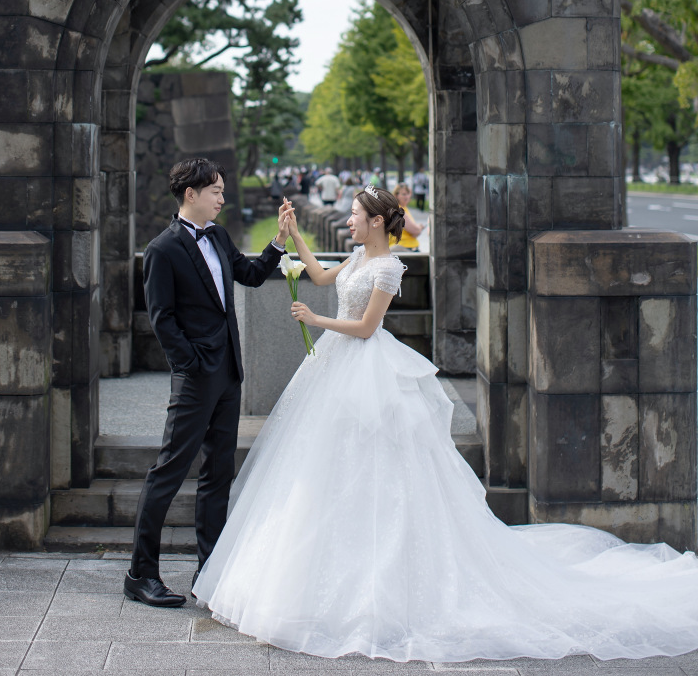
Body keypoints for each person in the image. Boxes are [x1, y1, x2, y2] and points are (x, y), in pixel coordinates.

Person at [193, 185, 698, 662]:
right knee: (326, 467)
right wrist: (295, 235)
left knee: (377, 466)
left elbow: (367, 329)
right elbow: (323, 279)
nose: (347, 221)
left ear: (374, 222)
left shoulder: (388, 268)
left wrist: (316, 321)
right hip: (335, 369)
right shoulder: (356, 258)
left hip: (362, 365)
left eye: (353, 216)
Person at [124, 157, 291, 609]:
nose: (222, 197)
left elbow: (251, 277)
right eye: (215, 190)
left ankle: (210, 570)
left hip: (229, 374)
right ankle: (140, 574)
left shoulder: (217, 235)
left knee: (219, 472)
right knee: (169, 472)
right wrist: (193, 364)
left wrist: (278, 241)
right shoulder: (162, 249)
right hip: (197, 377)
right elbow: (162, 320)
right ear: (191, 194)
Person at [391, 181, 427, 250]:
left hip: (406, 246)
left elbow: (414, 232)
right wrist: (419, 227)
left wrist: (416, 229)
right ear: (396, 195)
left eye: (408, 194)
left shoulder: (404, 208)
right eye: (404, 194)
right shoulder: (398, 210)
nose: (407, 196)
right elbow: (415, 231)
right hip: (403, 247)